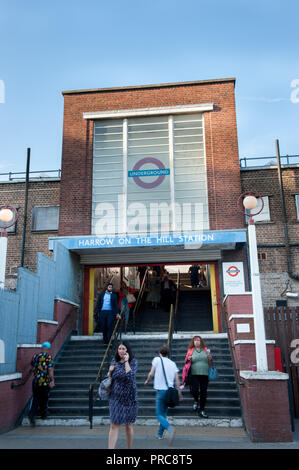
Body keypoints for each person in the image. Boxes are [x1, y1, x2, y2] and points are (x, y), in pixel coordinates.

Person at [144, 344, 182, 443]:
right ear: (168, 353)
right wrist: (179, 391)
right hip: (170, 391)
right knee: (164, 414)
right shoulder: (172, 363)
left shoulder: (156, 360)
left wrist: (147, 380)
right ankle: (160, 434)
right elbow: (177, 379)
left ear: (159, 353)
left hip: (161, 391)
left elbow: (151, 373)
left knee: (158, 414)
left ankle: (170, 429)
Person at [107, 341, 138, 449]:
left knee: (128, 425)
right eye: (119, 348)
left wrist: (126, 362)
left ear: (127, 350)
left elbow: (130, 376)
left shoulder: (133, 361)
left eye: (123, 349)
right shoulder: (114, 361)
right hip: (116, 397)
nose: (121, 351)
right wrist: (110, 371)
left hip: (130, 398)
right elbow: (110, 376)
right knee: (114, 424)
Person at [184, 335, 212, 418]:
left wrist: (210, 357)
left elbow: (210, 361)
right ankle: (196, 400)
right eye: (195, 340)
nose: (197, 342)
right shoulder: (190, 350)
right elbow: (186, 360)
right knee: (194, 390)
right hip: (194, 374)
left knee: (204, 392)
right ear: (193, 342)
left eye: (198, 340)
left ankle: (202, 410)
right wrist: (188, 358)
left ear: (201, 342)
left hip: (205, 374)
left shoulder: (206, 350)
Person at [28, 341, 55, 426]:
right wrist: (52, 380)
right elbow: (50, 369)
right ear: (48, 349)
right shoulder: (48, 357)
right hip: (44, 382)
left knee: (36, 398)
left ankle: (32, 414)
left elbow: (32, 367)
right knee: (44, 398)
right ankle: (43, 414)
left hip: (36, 381)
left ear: (42, 348)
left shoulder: (35, 356)